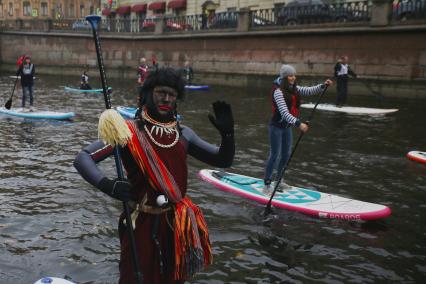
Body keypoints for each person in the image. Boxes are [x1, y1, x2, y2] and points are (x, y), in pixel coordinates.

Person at [73, 67, 235, 283]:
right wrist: (107, 185)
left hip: (176, 223)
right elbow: (83, 158)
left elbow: (223, 160)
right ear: (148, 94)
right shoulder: (127, 132)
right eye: (161, 92)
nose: (166, 98)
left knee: (173, 278)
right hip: (140, 223)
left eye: (172, 94)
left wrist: (228, 134)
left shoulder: (184, 134)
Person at [264, 64, 332, 191]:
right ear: (284, 77)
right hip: (276, 127)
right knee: (275, 155)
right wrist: (299, 123)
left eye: (294, 75)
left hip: (286, 127)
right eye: (290, 75)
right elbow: (284, 113)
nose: (293, 78)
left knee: (286, 155)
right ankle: (267, 185)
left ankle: (279, 181)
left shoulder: (293, 88)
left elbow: (308, 90)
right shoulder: (278, 92)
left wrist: (323, 86)